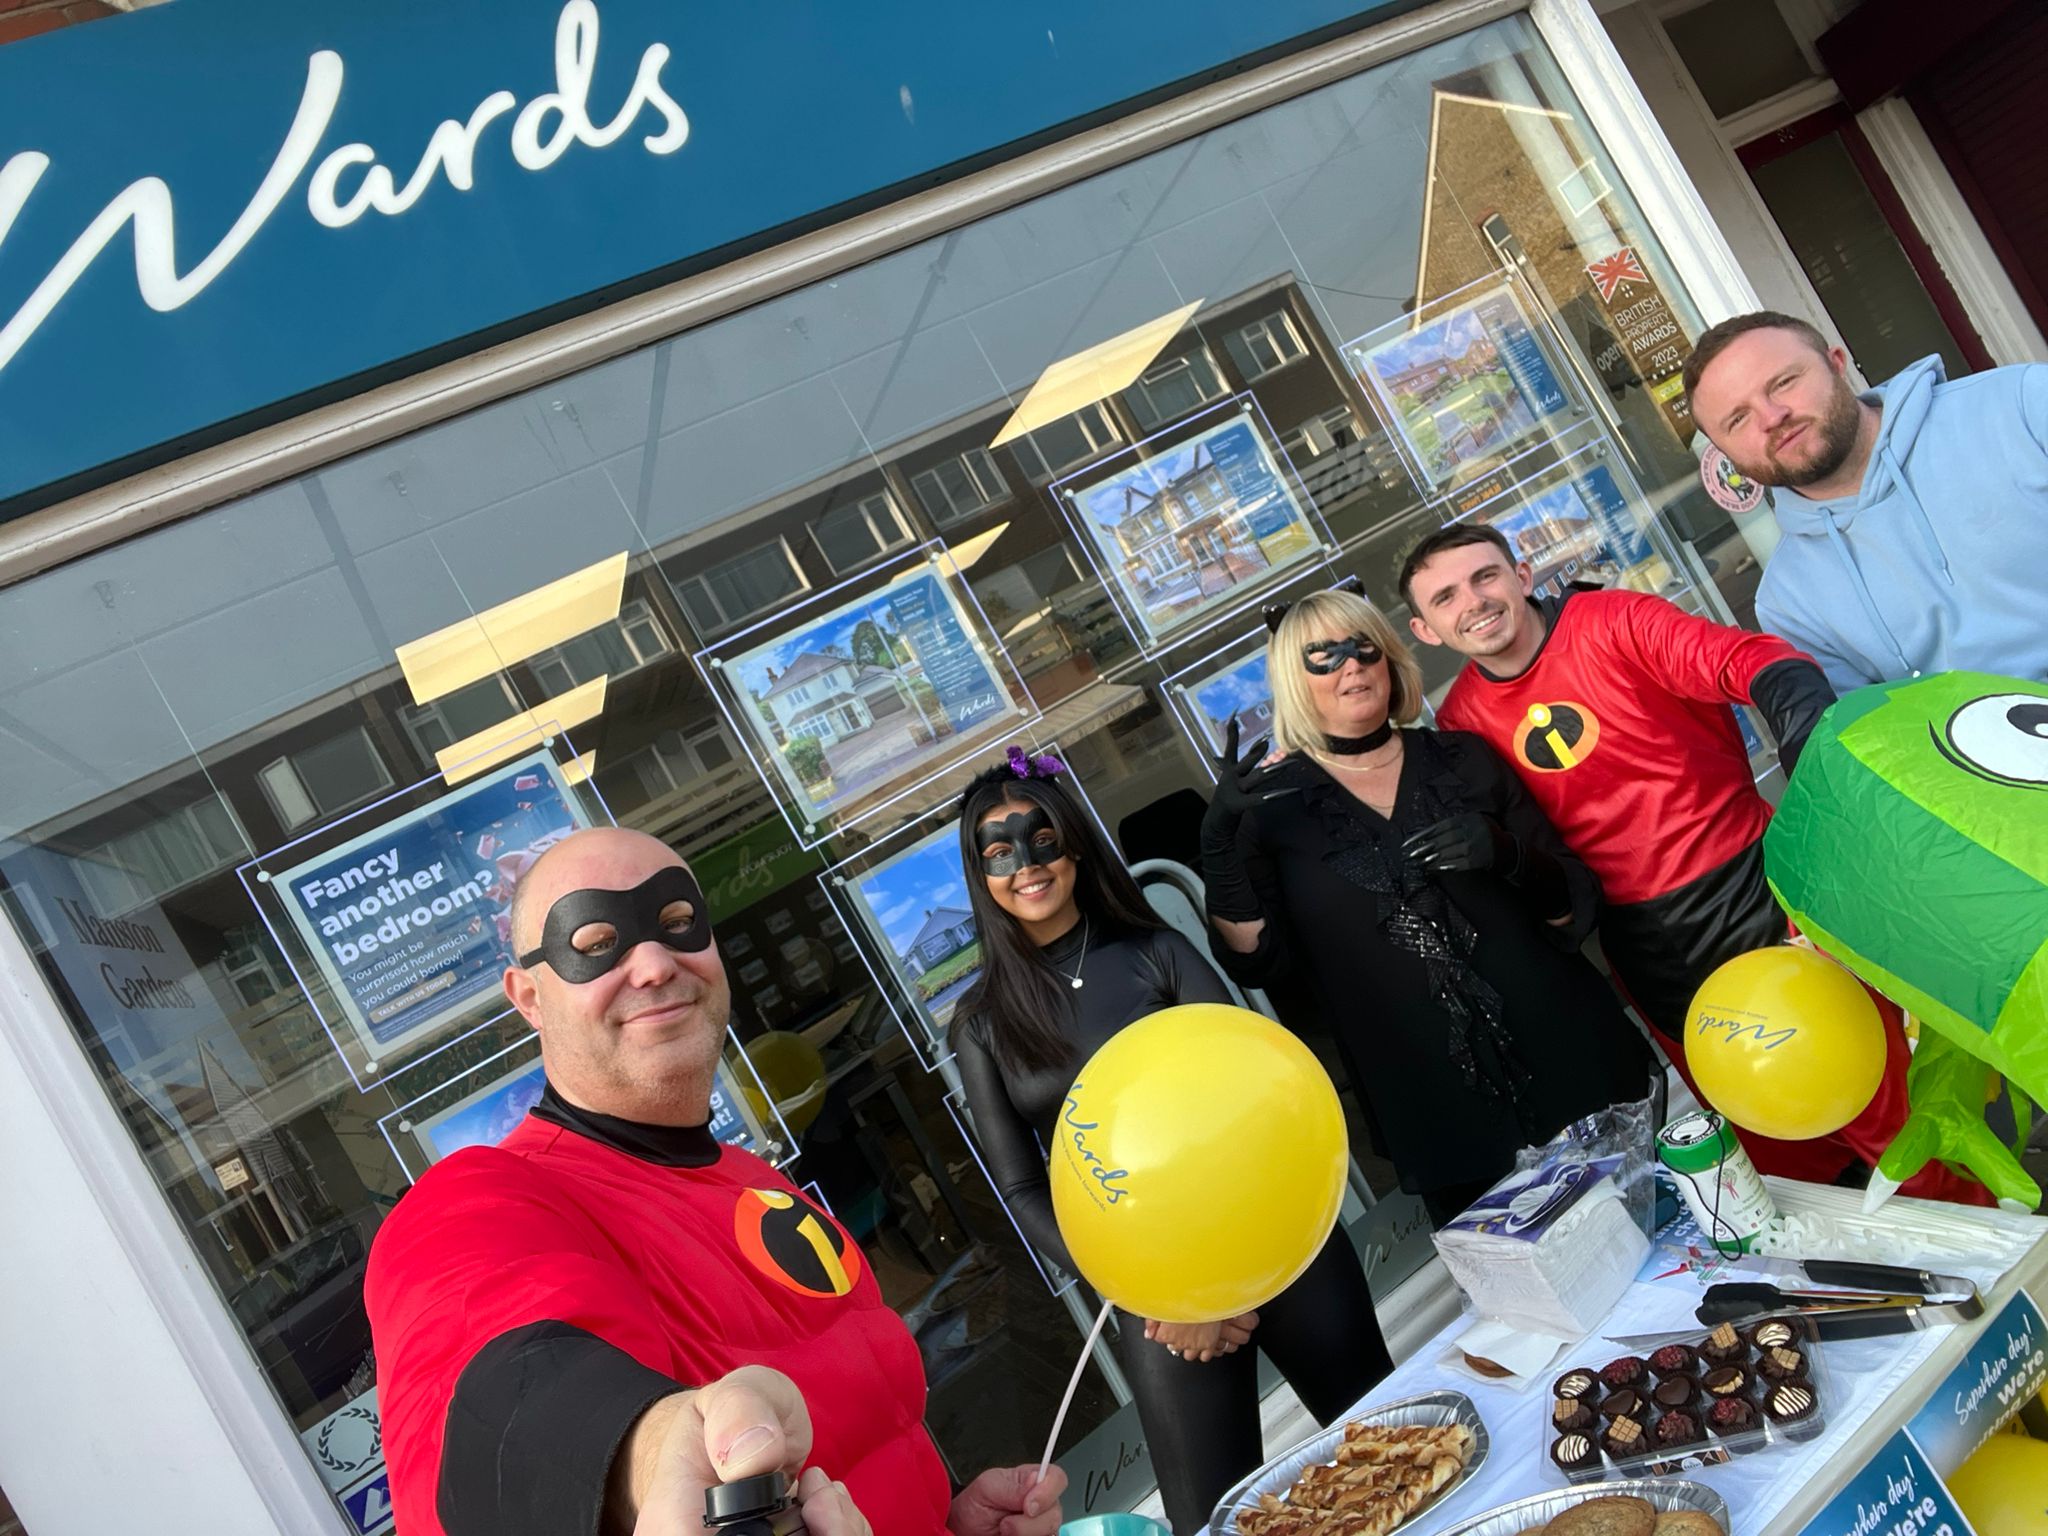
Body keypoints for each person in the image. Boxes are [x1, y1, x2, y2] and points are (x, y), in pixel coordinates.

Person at [364, 826, 1066, 1536]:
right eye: (595, 943)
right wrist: (653, 1459)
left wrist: (948, 1520)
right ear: (530, 998)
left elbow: (868, 1442)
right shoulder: (478, 1203)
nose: (653, 964)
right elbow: (484, 1420)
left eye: (676, 923)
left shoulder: (754, 1181)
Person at [1398, 523, 1984, 1201]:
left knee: (1880, 1108)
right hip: (1645, 948)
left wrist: (1805, 734)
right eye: (1446, 597)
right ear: (1426, 630)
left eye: (1485, 576)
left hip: (1755, 890)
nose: (1473, 601)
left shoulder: (1615, 621)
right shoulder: (1463, 720)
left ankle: (2000, 1245)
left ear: (1522, 575)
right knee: (1769, 1147)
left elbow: (1754, 661)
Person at [953, 747, 1394, 1535]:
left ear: (1075, 845)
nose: (1027, 864)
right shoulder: (983, 1023)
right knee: (1212, 1521)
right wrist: (1161, 1297)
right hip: (1157, 1306)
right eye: (1000, 852)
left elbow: (1252, 1093)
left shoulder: (1156, 952)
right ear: (981, 876)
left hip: (1275, 1247)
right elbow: (1021, 1188)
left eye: (1043, 839)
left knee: (1394, 1446)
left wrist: (1233, 1272)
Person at [1198, 586, 1654, 1225]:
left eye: (1364, 647)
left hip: (1580, 1066)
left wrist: (1506, 854)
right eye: (1323, 656)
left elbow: (1572, 910)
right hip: (1442, 1118)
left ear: (1389, 658)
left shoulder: (1462, 759)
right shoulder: (1271, 814)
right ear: (1294, 682)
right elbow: (1256, 962)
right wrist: (1217, 841)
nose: (1352, 666)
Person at [1683, 310, 2048, 690]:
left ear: (1836, 364)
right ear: (1726, 455)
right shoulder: (1789, 603)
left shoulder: (2022, 405)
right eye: (1738, 419)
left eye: (1783, 382)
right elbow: (1873, 725)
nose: (1772, 417)